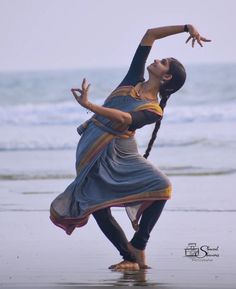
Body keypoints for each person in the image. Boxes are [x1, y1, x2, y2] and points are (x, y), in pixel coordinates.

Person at [50, 24, 211, 270]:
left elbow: (125, 120)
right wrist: (187, 27)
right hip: (94, 144)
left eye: (163, 62)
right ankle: (129, 257)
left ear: (166, 76)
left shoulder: (154, 110)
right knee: (96, 204)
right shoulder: (132, 78)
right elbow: (150, 34)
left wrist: (89, 105)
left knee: (163, 186)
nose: (157, 59)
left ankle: (138, 245)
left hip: (123, 152)